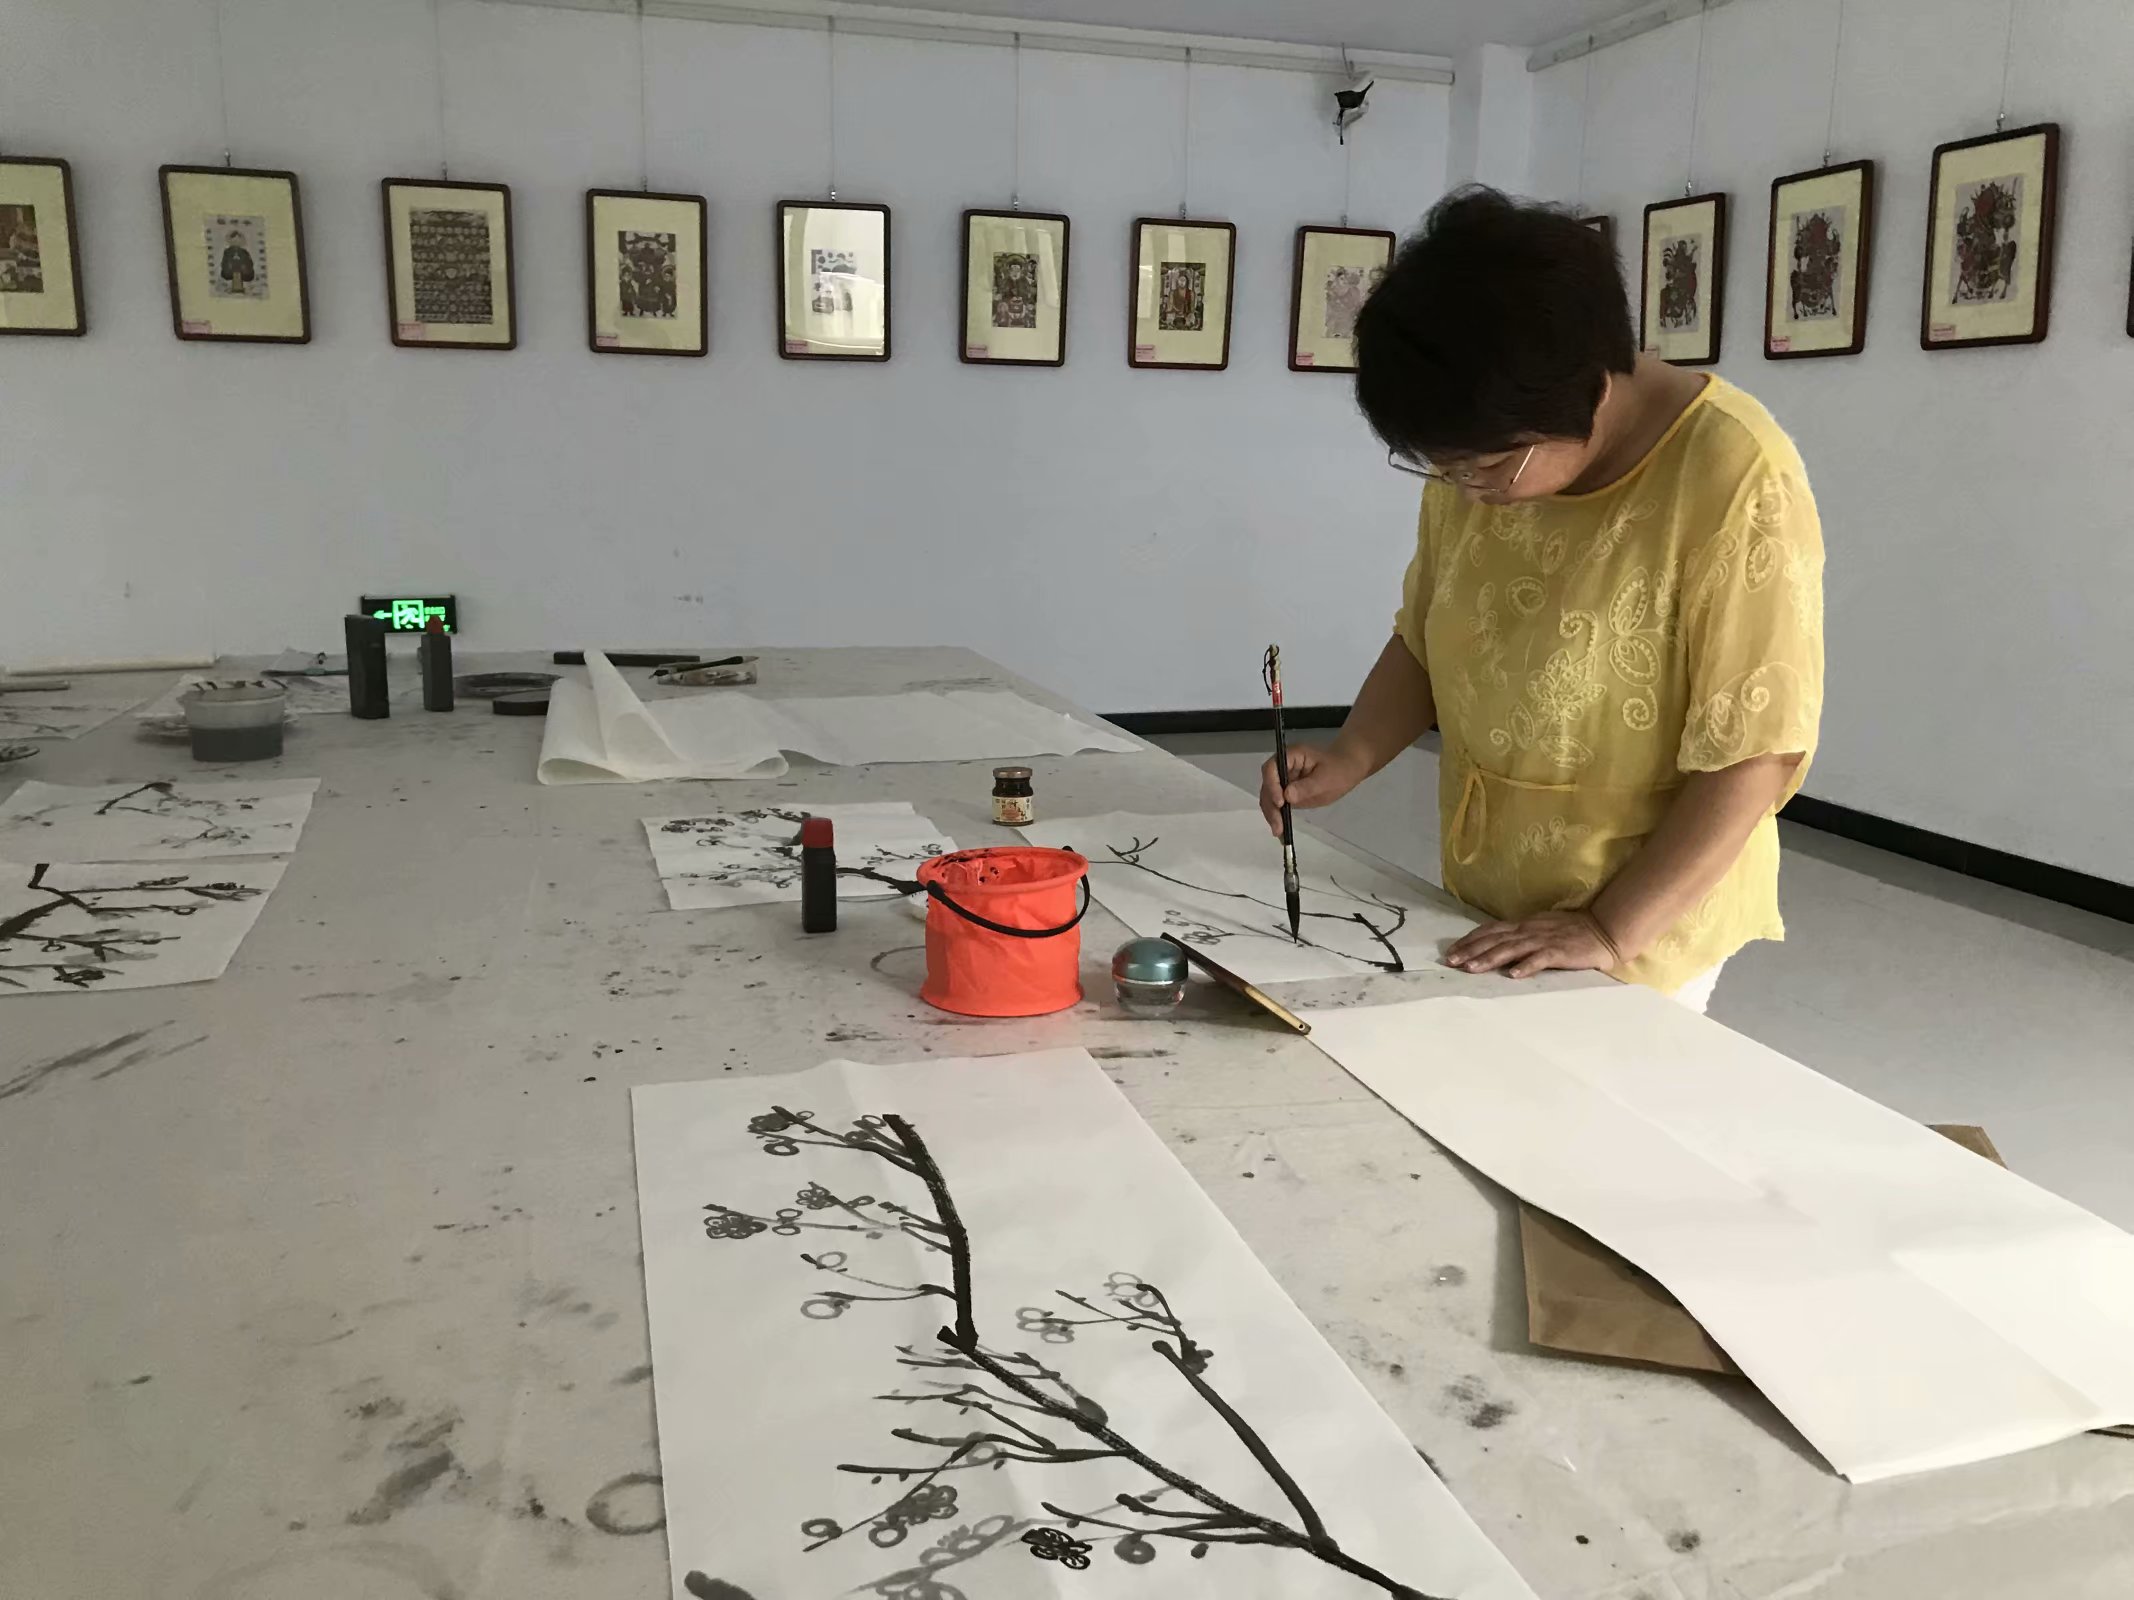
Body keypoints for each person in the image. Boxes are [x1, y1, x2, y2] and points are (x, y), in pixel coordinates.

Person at [1261, 189, 1824, 1012]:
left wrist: (1609, 929)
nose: (1466, 490)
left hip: (1644, 924)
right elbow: (1426, 635)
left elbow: (1753, 755)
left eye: (1486, 467)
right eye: (1442, 467)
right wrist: (1351, 756)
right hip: (1490, 901)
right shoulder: (1487, 449)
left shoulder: (1733, 477)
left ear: (1591, 393)